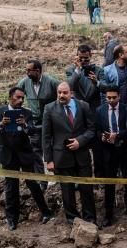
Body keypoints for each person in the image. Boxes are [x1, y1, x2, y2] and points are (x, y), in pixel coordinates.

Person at [0, 86, 53, 229]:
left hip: (24, 154)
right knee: (11, 187)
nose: (20, 100)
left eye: (22, 98)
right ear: (10, 97)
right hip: (7, 155)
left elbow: (32, 130)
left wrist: (24, 124)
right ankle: (12, 219)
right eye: (18, 97)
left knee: (32, 184)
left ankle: (45, 212)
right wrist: (1, 124)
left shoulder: (26, 113)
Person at [42, 82, 97, 223]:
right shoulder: (49, 109)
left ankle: (90, 219)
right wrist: (49, 160)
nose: (61, 95)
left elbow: (91, 129)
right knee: (67, 191)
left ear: (71, 93)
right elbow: (46, 136)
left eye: (65, 93)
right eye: (59, 92)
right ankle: (73, 220)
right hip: (61, 157)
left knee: (86, 189)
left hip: (82, 155)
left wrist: (80, 141)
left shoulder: (83, 106)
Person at [94, 87, 127, 228]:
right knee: (109, 185)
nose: (111, 100)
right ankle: (108, 215)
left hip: (125, 151)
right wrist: (102, 136)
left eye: (114, 97)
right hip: (108, 152)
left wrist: (118, 135)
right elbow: (97, 129)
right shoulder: (100, 111)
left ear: (119, 96)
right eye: (108, 97)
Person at [16, 61, 60, 173]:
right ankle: (41, 182)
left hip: (51, 123)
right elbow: (15, 96)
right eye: (26, 70)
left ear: (38, 71)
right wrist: (22, 111)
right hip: (34, 124)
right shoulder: (24, 83)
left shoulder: (51, 82)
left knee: (55, 149)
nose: (27, 72)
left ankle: (59, 177)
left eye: (29, 70)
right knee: (35, 152)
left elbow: (64, 95)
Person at [66, 44, 102, 112]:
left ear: (90, 56)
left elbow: (104, 87)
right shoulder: (71, 70)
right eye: (81, 58)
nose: (83, 60)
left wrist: (96, 82)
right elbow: (70, 86)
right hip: (77, 109)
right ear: (77, 57)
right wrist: (77, 70)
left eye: (86, 58)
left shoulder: (99, 70)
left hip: (94, 109)